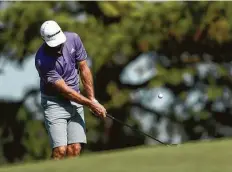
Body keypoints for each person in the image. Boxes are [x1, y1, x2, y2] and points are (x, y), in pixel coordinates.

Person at [35, 20, 107, 160]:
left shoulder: (73, 39)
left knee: (75, 148)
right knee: (60, 151)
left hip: (76, 100)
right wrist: (91, 105)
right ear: (45, 41)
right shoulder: (42, 60)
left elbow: (84, 68)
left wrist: (92, 98)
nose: (58, 47)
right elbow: (65, 91)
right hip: (54, 103)